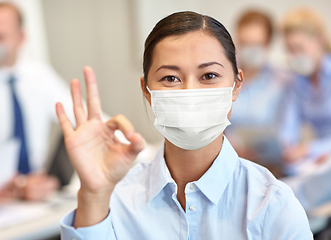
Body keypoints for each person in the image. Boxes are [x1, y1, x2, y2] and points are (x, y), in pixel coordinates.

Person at [58, 12, 312, 239]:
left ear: (236, 85)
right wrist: (92, 195)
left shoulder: (273, 205)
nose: (190, 91)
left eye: (209, 76)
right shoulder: (115, 200)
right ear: (147, 91)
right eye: (170, 78)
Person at [0, 2, 74, 201]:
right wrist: (18, 186)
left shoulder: (38, 75)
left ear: (21, 38)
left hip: (37, 193)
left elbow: (79, 116)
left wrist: (128, 143)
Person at [226, 10, 290, 175]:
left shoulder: (282, 82)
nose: (250, 50)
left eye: (256, 44)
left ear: (268, 43)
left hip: (267, 166)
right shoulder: (223, 76)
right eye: (244, 43)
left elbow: (287, 133)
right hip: (225, 159)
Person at [279, 8, 331, 174]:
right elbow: (289, 125)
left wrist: (309, 149)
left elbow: (310, 149)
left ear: (319, 40)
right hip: (319, 159)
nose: (295, 55)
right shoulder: (297, 81)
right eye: (290, 50)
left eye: (299, 48)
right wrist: (286, 148)